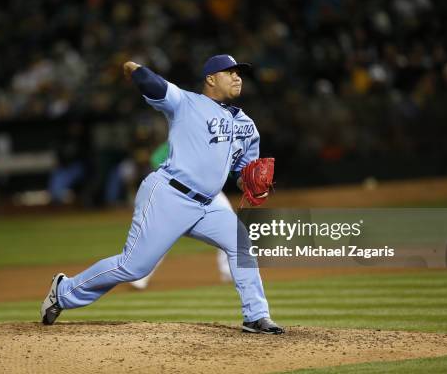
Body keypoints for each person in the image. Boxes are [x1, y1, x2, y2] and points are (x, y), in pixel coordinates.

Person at [41, 54, 284, 334]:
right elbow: (154, 85)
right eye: (230, 72)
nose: (237, 77)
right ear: (211, 79)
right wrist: (135, 69)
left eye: (239, 73)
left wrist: (254, 185)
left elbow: (243, 175)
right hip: (169, 195)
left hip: (208, 205)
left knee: (241, 242)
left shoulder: (247, 126)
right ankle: (63, 291)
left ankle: (256, 316)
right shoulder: (186, 102)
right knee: (134, 267)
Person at [130, 141, 232, 290]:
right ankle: (141, 275)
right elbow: (156, 160)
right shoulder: (178, 140)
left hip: (209, 191)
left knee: (230, 226)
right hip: (180, 193)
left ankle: (229, 273)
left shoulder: (213, 143)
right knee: (164, 235)